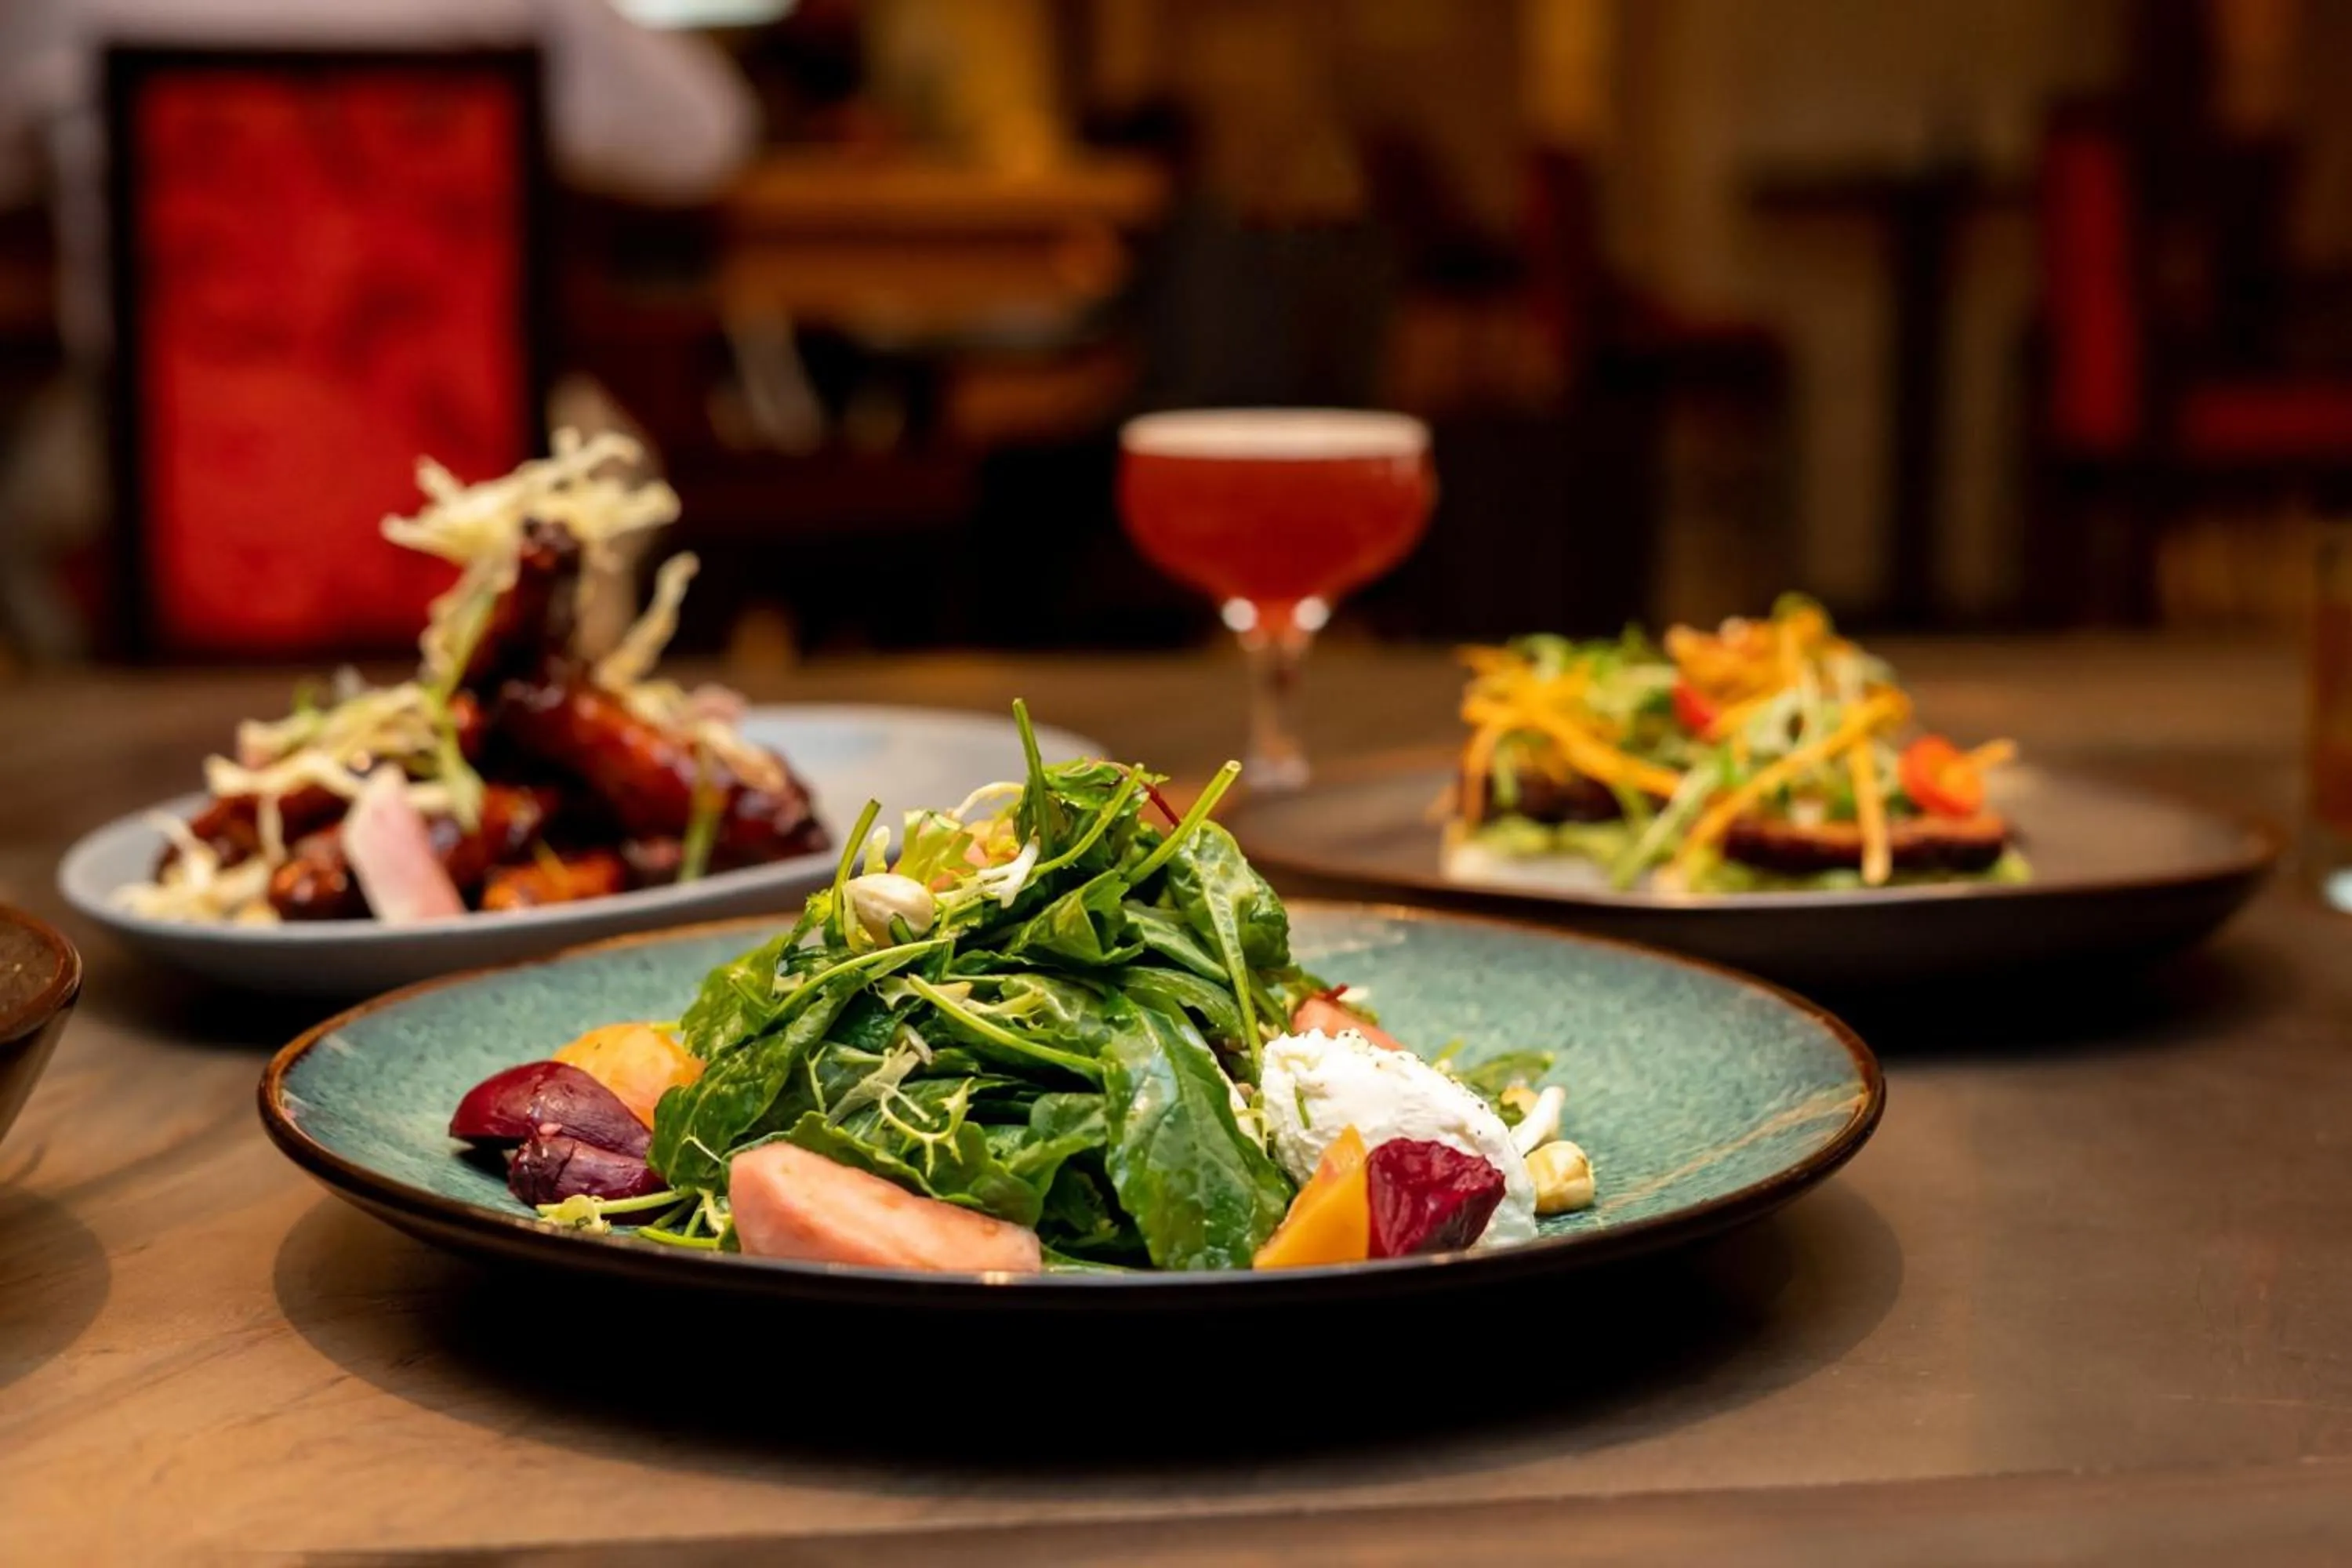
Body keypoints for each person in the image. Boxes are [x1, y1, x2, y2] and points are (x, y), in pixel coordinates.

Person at [0, 0, 762, 657]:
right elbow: (704, 138)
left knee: (33, 500)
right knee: (602, 462)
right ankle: (552, 729)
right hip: (471, 468)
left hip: (167, 472)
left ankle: (96, 750)